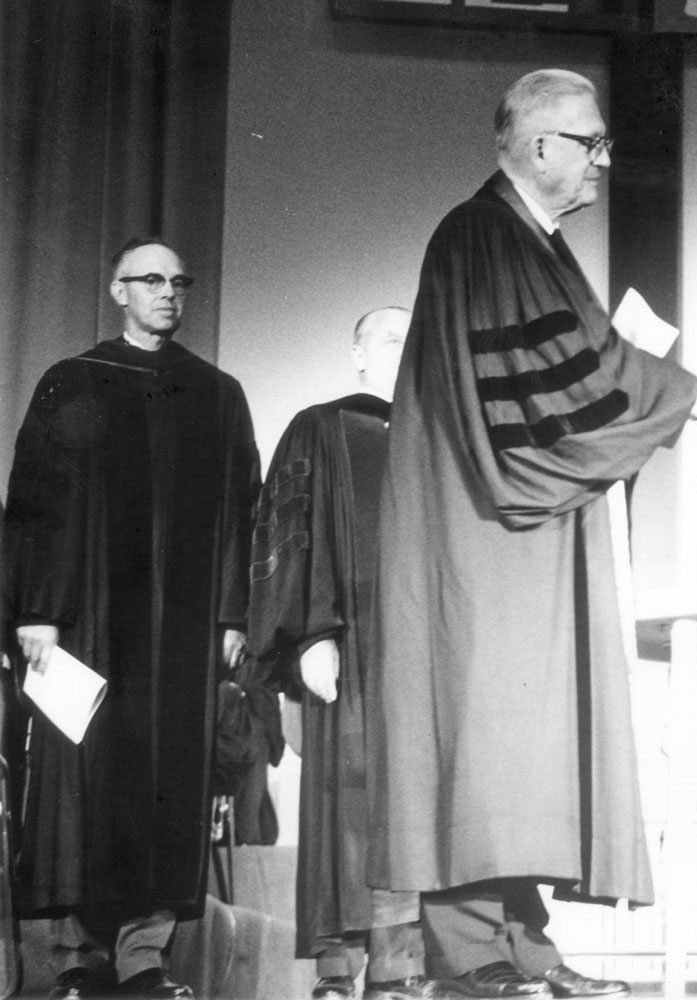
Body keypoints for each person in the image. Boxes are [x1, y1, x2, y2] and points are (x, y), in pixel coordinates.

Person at [366, 69, 697, 999]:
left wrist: (644, 394)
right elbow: (553, 376)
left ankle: (526, 951)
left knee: (521, 745)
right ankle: (472, 957)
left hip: (526, 528)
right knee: (484, 736)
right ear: (541, 143)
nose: (604, 160)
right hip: (483, 526)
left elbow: (570, 367)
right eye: (592, 142)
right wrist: (673, 397)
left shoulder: (531, 243)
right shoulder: (480, 233)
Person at [2, 237, 260, 1000]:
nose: (168, 292)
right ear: (118, 290)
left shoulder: (216, 394)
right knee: (76, 785)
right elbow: (37, 506)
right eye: (151, 280)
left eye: (179, 281)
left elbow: (241, 512)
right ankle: (74, 961)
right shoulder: (74, 379)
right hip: (86, 620)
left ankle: (145, 957)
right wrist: (36, 611)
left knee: (166, 786)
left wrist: (232, 614)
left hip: (181, 631)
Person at [248, 306, 436, 1000]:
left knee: (410, 804)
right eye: (389, 337)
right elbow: (289, 532)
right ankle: (337, 965)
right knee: (347, 804)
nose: (404, 347)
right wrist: (311, 633)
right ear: (357, 354)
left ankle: (400, 966)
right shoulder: (321, 426)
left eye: (413, 337)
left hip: (421, 645)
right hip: (347, 641)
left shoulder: (436, 432)